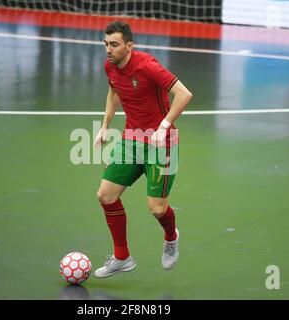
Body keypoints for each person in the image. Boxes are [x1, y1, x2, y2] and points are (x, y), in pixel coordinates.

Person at [94, 21, 193, 278]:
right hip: (131, 139)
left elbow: (184, 94)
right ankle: (122, 257)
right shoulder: (111, 66)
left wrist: (163, 126)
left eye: (114, 45)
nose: (108, 49)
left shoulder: (147, 65)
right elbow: (113, 93)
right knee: (106, 195)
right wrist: (105, 125)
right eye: (106, 44)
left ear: (129, 46)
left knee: (157, 208)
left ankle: (171, 237)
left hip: (162, 143)